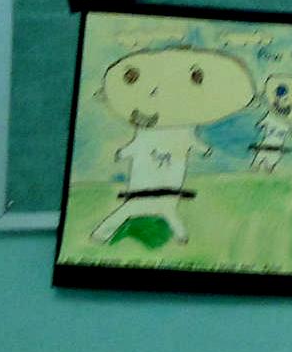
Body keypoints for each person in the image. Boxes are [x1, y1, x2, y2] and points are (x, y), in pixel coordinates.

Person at [90, 46, 256, 245]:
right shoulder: (149, 131)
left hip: (168, 185)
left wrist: (204, 149)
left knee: (164, 209)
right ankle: (102, 234)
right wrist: (123, 152)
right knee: (138, 208)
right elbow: (136, 146)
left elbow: (192, 143)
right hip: (142, 186)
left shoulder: (183, 129)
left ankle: (179, 235)